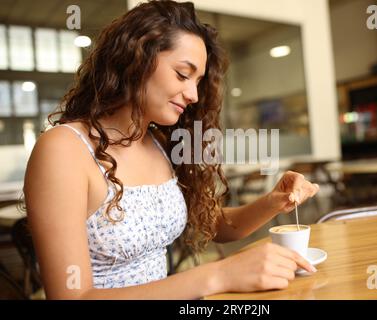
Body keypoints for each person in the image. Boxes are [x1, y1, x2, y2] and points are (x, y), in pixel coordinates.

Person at [23, 0, 320, 299]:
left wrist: (273, 201)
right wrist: (217, 274)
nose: (193, 94)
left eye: (198, 81)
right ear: (134, 61)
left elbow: (213, 224)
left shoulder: (160, 144)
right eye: (182, 74)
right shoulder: (64, 150)